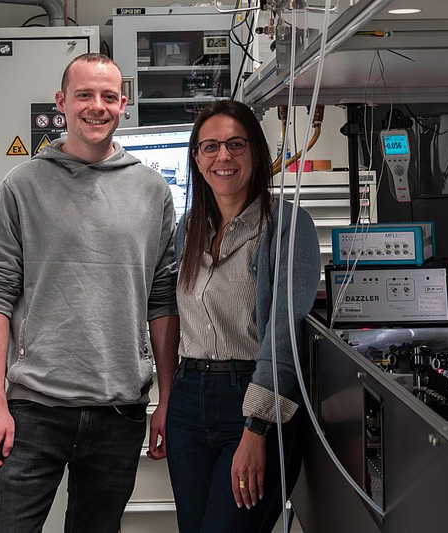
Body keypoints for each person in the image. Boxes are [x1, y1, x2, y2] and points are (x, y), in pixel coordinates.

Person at [0, 53, 179, 532]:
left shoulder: (152, 192)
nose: (97, 106)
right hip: (34, 410)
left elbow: (162, 300)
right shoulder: (21, 186)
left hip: (119, 411)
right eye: (84, 94)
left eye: (108, 96)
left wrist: (165, 401)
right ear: (61, 101)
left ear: (123, 105)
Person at [164, 99, 321, 532]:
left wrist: (256, 428)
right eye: (210, 147)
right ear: (196, 159)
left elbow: (285, 328)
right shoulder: (190, 228)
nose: (223, 157)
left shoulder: (288, 225)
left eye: (236, 144)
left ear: (256, 152)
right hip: (187, 403)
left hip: (251, 402)